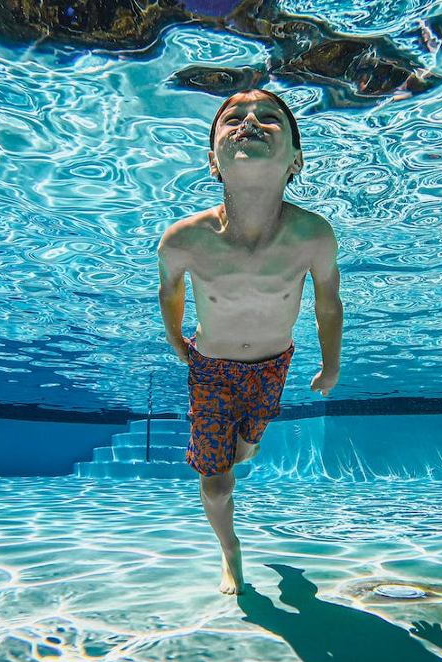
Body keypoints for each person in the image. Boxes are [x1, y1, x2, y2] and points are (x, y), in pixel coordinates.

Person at [157, 89, 343, 594]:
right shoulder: (183, 239)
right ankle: (230, 551)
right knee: (217, 482)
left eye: (269, 118)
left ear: (296, 160)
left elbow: (328, 303)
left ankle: (246, 441)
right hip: (211, 370)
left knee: (245, 450)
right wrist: (177, 342)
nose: (250, 123)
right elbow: (169, 291)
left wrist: (332, 365)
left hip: (272, 367)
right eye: (233, 117)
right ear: (213, 160)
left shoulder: (313, 235)